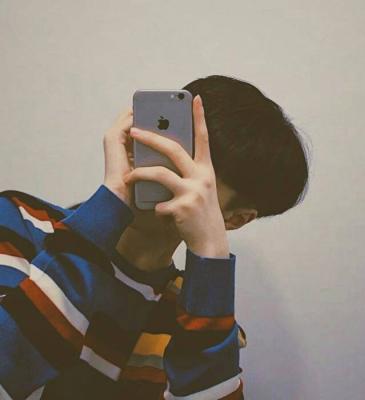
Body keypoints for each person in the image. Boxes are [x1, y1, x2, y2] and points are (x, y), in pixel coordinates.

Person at [0, 75, 310, 399]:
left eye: (195, 168)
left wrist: (211, 255)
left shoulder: (197, 320)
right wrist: (109, 203)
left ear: (234, 218)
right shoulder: (20, 224)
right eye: (170, 144)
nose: (164, 167)